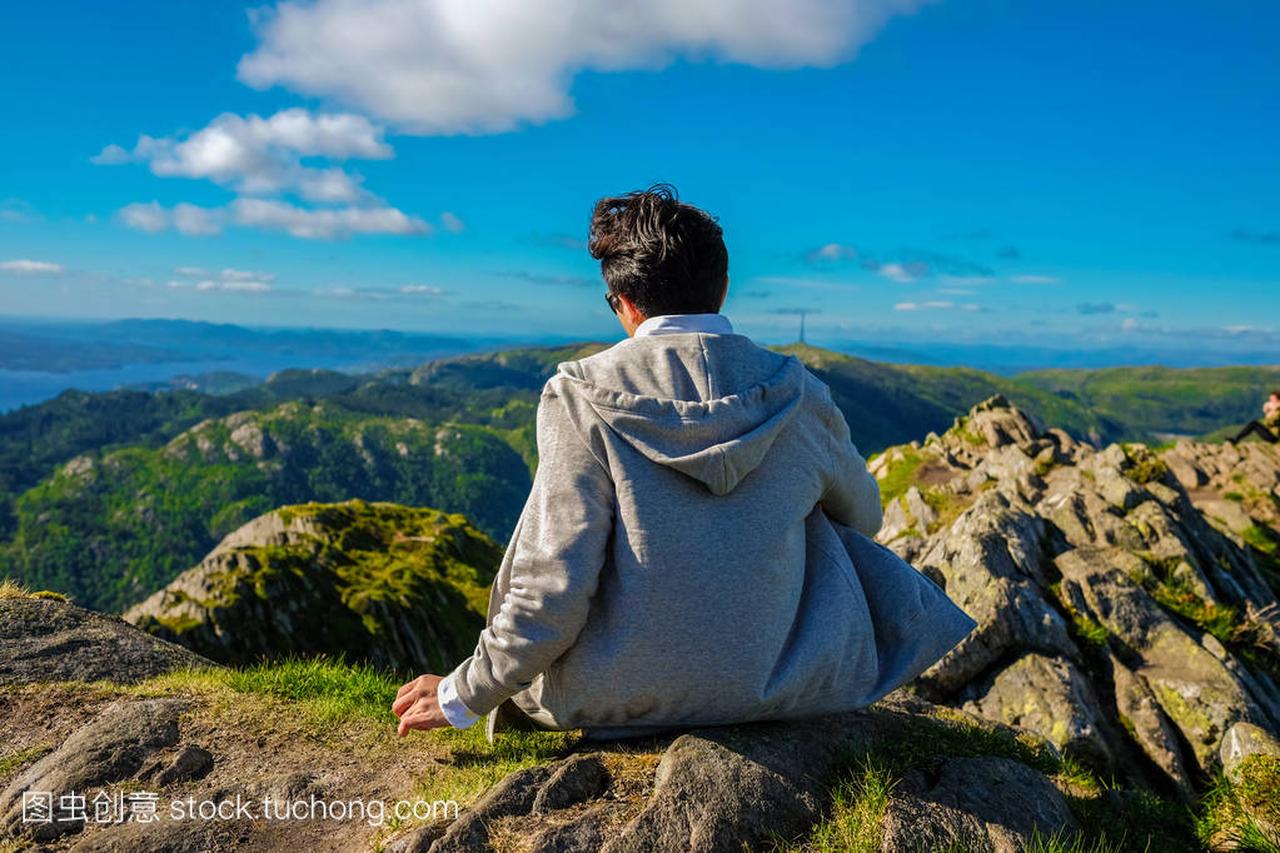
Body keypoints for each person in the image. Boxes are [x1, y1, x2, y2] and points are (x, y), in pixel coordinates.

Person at [392, 185, 974, 740]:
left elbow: (552, 584)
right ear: (722, 290)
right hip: (786, 684)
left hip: (612, 693)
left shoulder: (577, 397)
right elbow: (864, 519)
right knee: (821, 514)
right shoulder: (800, 394)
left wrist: (461, 694)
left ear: (621, 303)